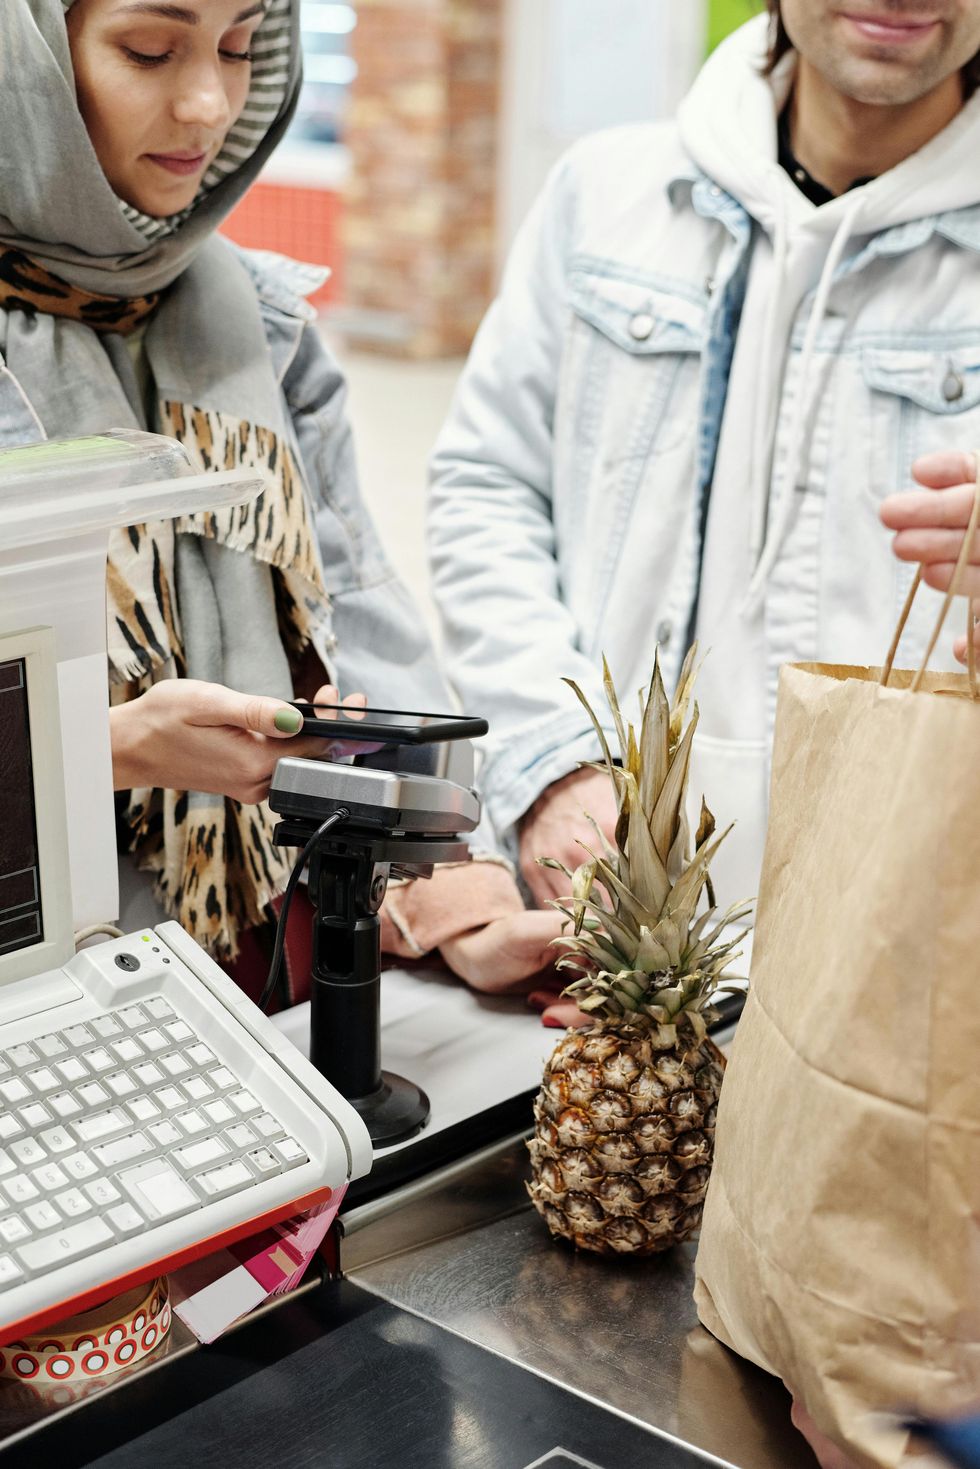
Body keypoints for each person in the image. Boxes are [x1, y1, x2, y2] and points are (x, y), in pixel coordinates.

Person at [0, 0, 562, 1000]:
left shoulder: (258, 320)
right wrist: (104, 748)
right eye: (148, 50)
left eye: (237, 49)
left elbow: (364, 631)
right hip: (46, 999)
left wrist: (457, 896)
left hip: (269, 976)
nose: (210, 104)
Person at [429, 0, 980, 961]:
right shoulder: (607, 197)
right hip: (607, 939)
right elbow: (488, 487)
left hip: (909, 958)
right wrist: (552, 766)